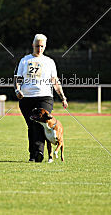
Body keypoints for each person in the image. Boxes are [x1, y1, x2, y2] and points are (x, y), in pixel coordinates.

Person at [14, 34, 68, 162]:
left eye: (42, 46)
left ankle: (39, 153)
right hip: (27, 98)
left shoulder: (49, 62)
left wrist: (62, 97)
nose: (39, 49)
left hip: (45, 97)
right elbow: (17, 79)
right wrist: (18, 90)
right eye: (37, 46)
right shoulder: (24, 60)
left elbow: (55, 81)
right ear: (33, 45)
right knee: (31, 125)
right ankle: (33, 155)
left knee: (39, 124)